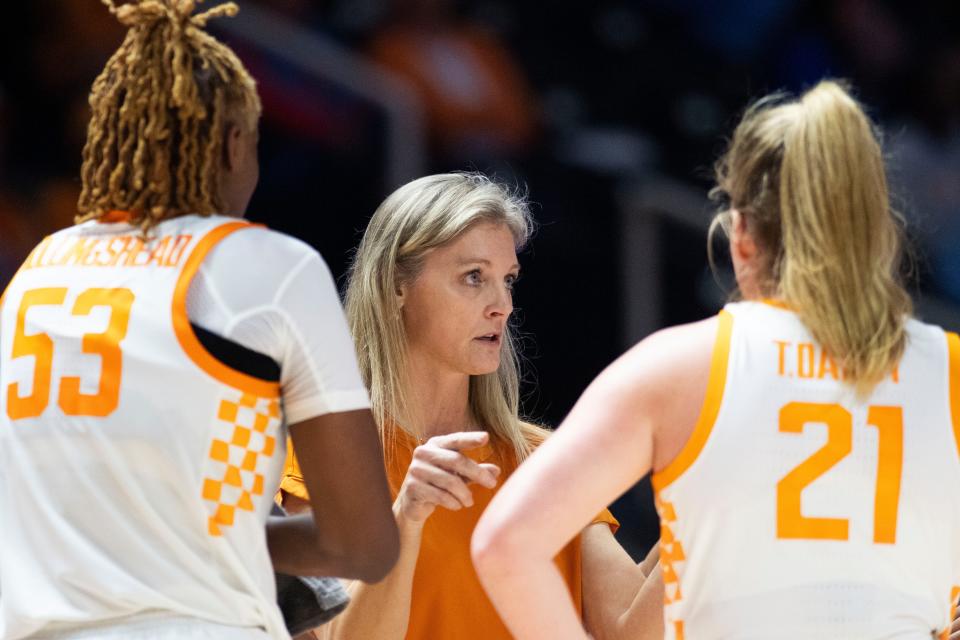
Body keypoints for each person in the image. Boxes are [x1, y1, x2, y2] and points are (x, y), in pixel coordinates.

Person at [473, 80, 960, 639]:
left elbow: (506, 544)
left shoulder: (678, 367)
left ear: (743, 238)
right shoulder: (947, 369)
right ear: (879, 236)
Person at [0, 2, 398, 639]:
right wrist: (219, 543)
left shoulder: (35, 272)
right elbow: (363, 544)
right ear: (235, 144)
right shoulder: (270, 266)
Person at [278, 172, 663, 640]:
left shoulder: (541, 458)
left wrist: (702, 502)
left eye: (508, 280)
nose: (502, 304)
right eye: (473, 278)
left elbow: (630, 632)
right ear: (397, 285)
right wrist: (408, 514)